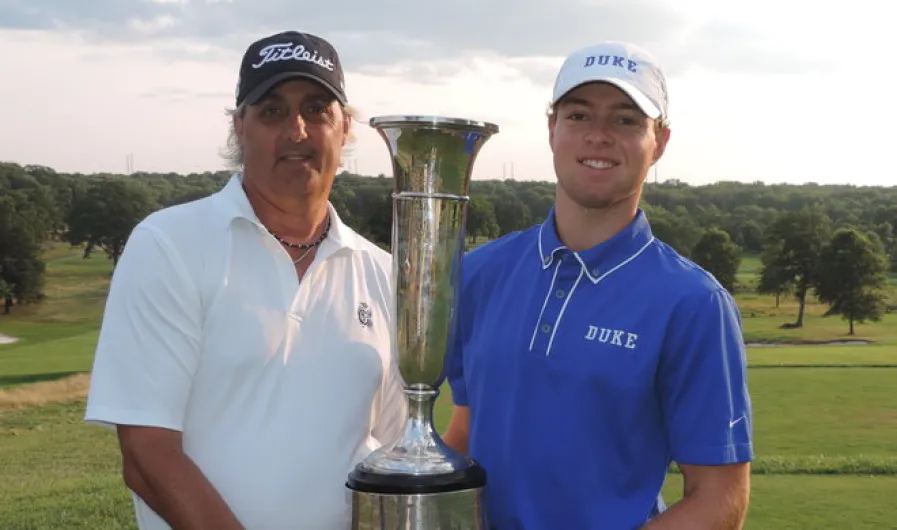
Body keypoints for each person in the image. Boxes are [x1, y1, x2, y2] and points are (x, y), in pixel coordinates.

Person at [84, 30, 407, 530]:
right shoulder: (169, 245)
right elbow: (147, 456)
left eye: (318, 109)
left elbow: (387, 452)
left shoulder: (382, 273)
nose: (297, 130)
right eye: (272, 111)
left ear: (345, 128)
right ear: (240, 128)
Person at [442, 41, 753, 529]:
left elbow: (719, 502)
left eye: (626, 120)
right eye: (579, 115)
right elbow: (466, 426)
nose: (599, 136)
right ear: (552, 129)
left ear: (661, 142)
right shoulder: (479, 272)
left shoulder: (694, 304)